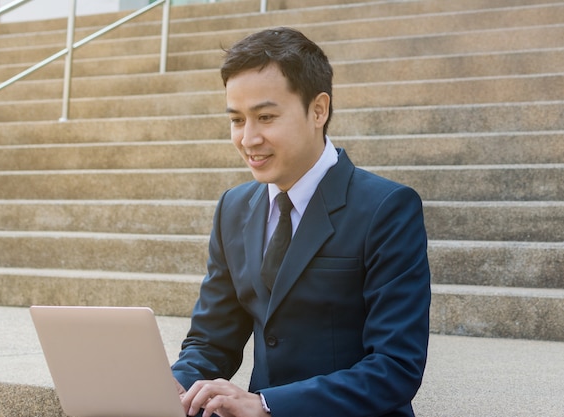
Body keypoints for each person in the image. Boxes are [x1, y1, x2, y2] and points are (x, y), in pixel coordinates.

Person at [171, 27, 431, 417]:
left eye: (266, 117)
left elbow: (395, 367)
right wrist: (174, 384)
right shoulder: (233, 207)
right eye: (237, 120)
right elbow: (211, 341)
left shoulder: (387, 208)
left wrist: (267, 405)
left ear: (318, 110)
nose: (248, 138)